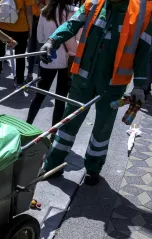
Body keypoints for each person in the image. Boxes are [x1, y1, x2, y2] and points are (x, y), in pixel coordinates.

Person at [40, 0, 152, 185]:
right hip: (83, 79)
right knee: (69, 122)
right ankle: (53, 163)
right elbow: (72, 24)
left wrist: (139, 85)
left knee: (102, 128)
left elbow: (144, 51)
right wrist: (53, 40)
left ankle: (93, 169)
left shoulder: (144, 11)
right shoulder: (93, 3)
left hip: (112, 84)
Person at [26, 0, 79, 135]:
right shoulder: (74, 12)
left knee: (39, 95)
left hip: (48, 59)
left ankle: (26, 127)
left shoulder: (44, 11)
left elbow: (40, 37)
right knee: (60, 99)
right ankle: (53, 135)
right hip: (67, 61)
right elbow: (78, 41)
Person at [0, 0, 33, 87]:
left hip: (2, 25)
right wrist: (30, 29)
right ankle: (19, 81)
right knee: (20, 56)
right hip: (21, 28)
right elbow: (29, 12)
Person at [26, 0, 47, 82]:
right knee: (31, 49)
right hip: (32, 20)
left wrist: (37, 2)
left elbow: (48, 9)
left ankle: (40, 77)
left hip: (43, 21)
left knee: (40, 51)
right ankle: (29, 74)